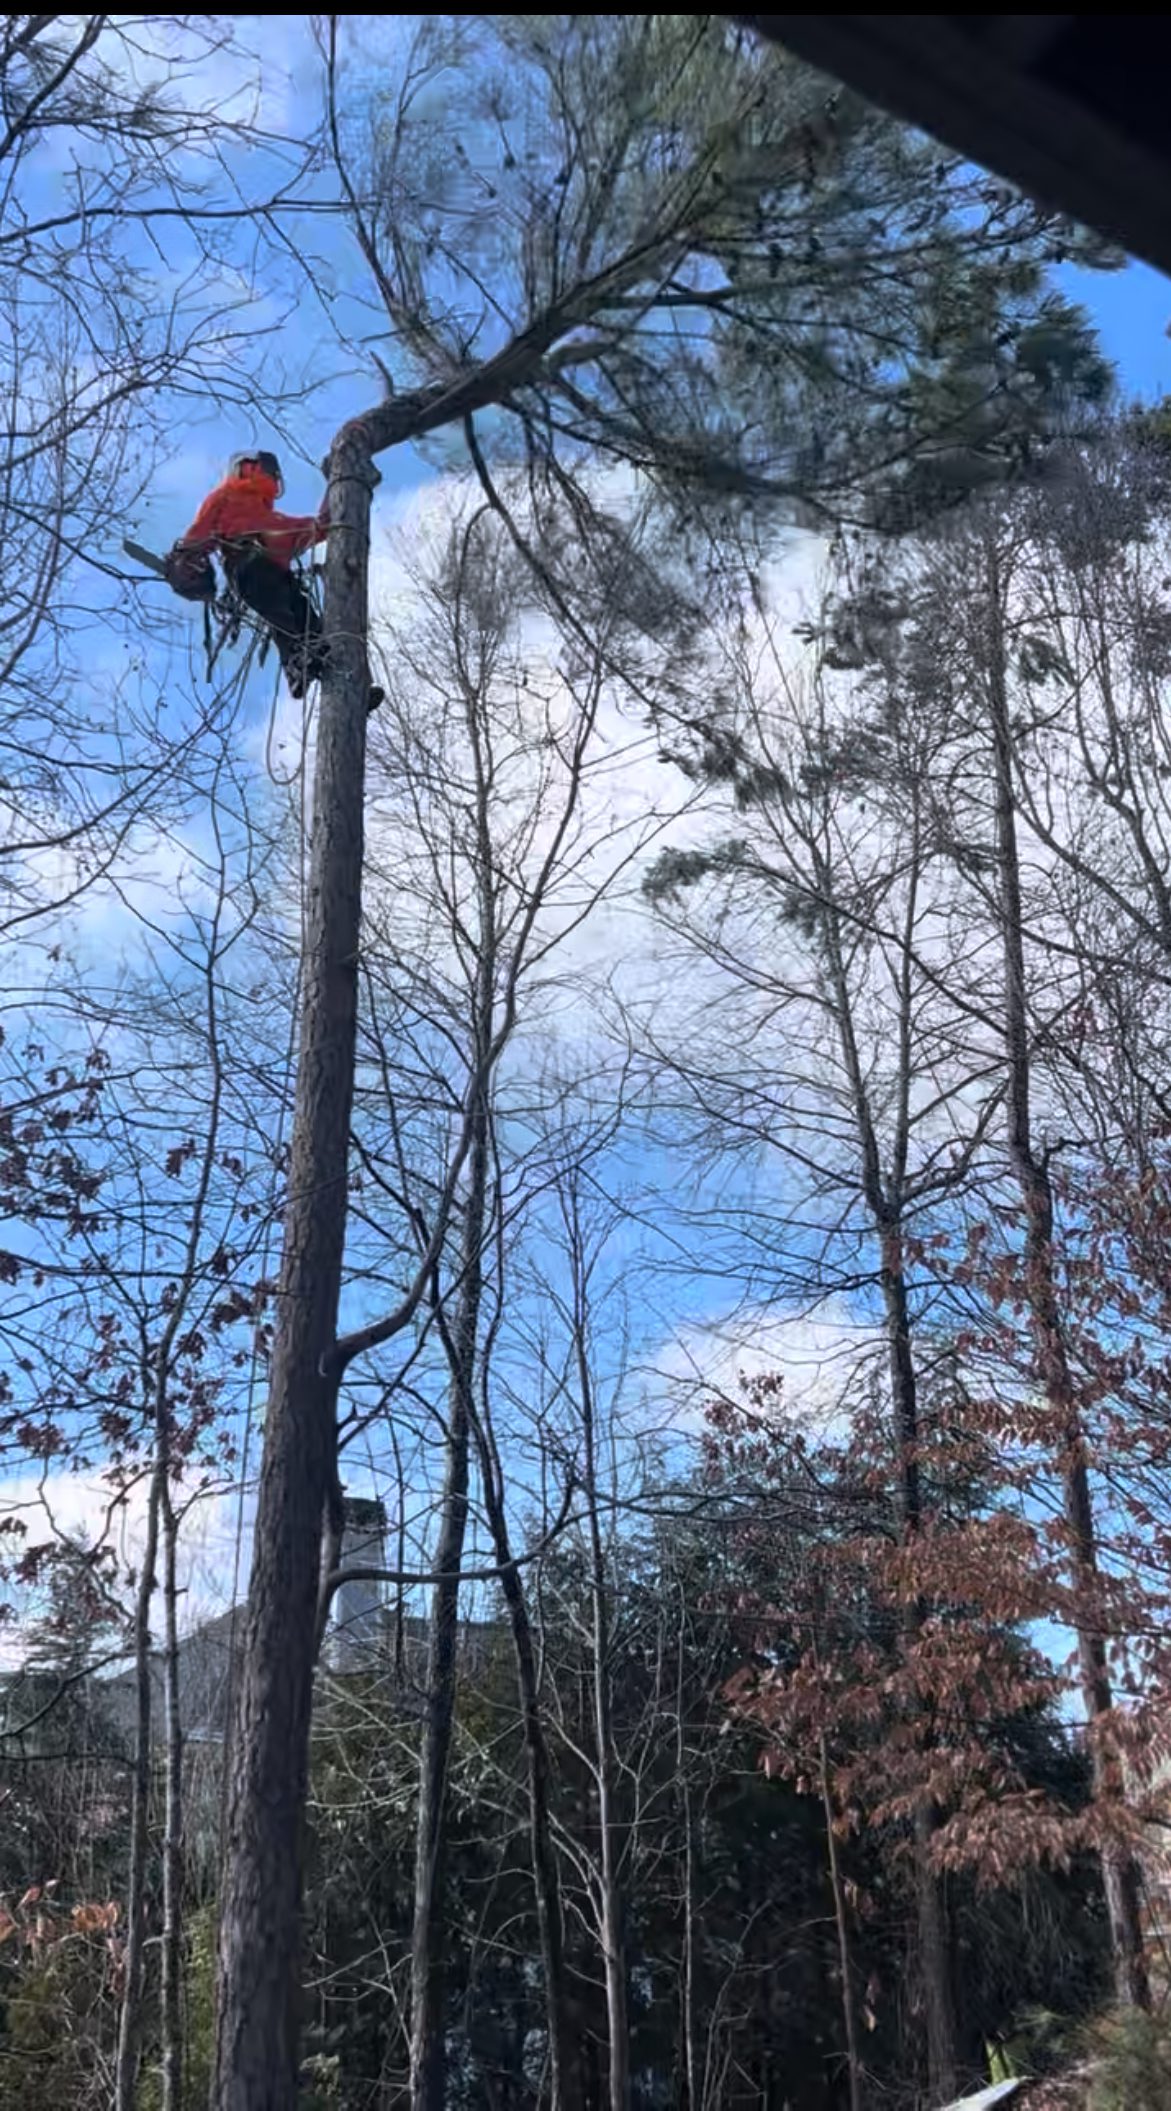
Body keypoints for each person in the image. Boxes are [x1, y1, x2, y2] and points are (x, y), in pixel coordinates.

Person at [169, 450, 329, 698]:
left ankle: (329, 667)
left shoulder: (264, 514)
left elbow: (300, 529)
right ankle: (297, 662)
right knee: (279, 611)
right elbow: (202, 531)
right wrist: (186, 554)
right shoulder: (226, 497)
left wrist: (327, 517)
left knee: (304, 614)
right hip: (247, 565)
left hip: (273, 573)